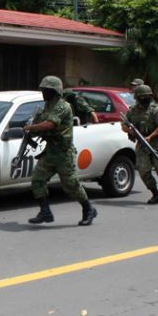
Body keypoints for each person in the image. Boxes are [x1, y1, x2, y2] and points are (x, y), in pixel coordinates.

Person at [26, 76, 98, 226]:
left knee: (71, 185)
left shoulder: (62, 106)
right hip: (50, 152)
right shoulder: (47, 106)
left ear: (54, 91)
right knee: (37, 180)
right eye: (42, 90)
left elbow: (49, 125)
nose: (42, 93)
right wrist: (31, 130)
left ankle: (88, 209)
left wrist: (31, 128)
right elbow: (40, 124)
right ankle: (45, 212)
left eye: (45, 90)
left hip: (63, 153)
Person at [121, 85, 158, 204]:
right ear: (137, 98)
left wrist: (150, 136)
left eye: (147, 96)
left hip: (156, 143)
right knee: (143, 171)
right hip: (141, 144)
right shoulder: (132, 110)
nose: (145, 99)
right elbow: (124, 124)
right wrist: (129, 130)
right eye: (142, 97)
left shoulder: (156, 109)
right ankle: (155, 194)